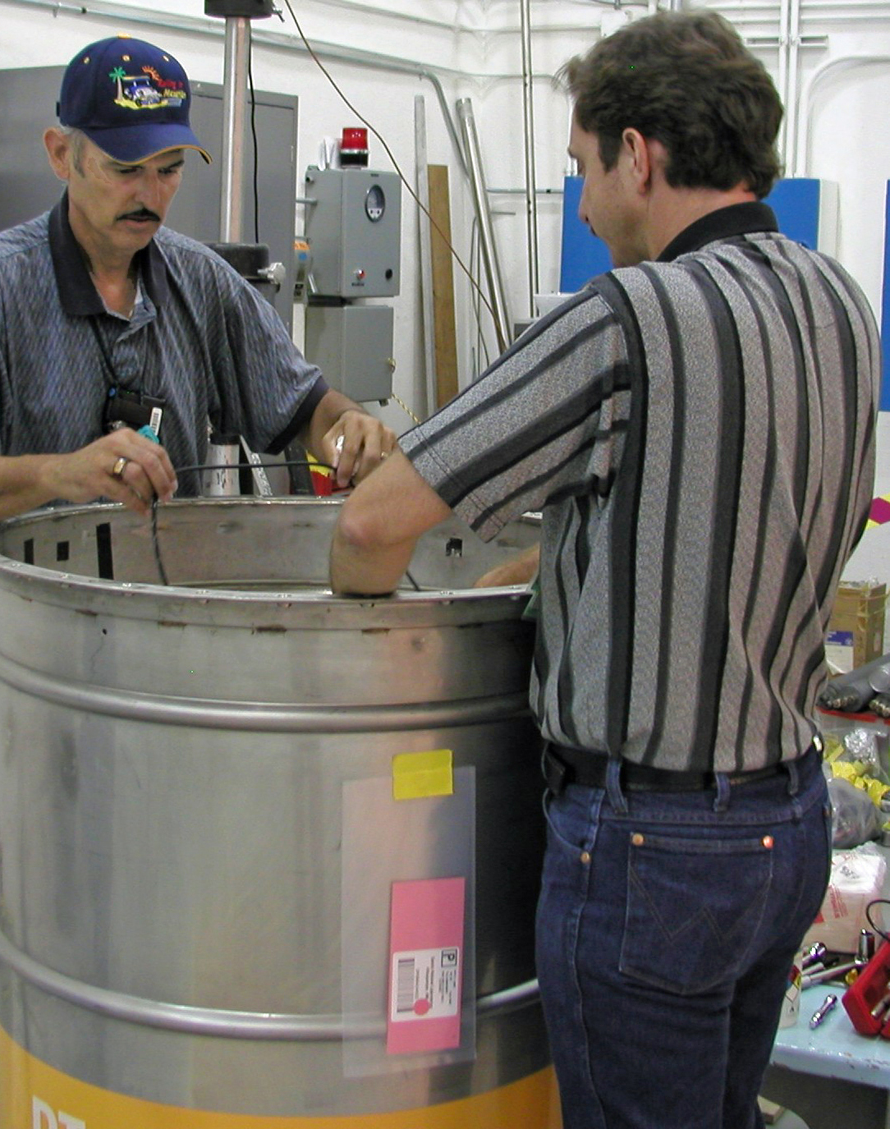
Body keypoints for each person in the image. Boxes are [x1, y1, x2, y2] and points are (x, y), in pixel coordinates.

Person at [329, 11, 880, 1129]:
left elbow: (373, 524)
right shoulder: (838, 302)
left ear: (641, 155)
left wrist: (353, 649)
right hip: (784, 826)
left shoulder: (624, 318)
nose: (579, 204)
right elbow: (722, 517)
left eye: (582, 168)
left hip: (649, 855)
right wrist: (552, 564)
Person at [0, 34, 394, 1129]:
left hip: (161, 673)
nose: (149, 194)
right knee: (5, 952)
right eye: (124, 168)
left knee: (162, 956)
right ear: (58, 152)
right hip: (13, 665)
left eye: (168, 169)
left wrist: (346, 423)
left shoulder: (201, 287)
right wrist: (58, 472)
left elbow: (299, 401)